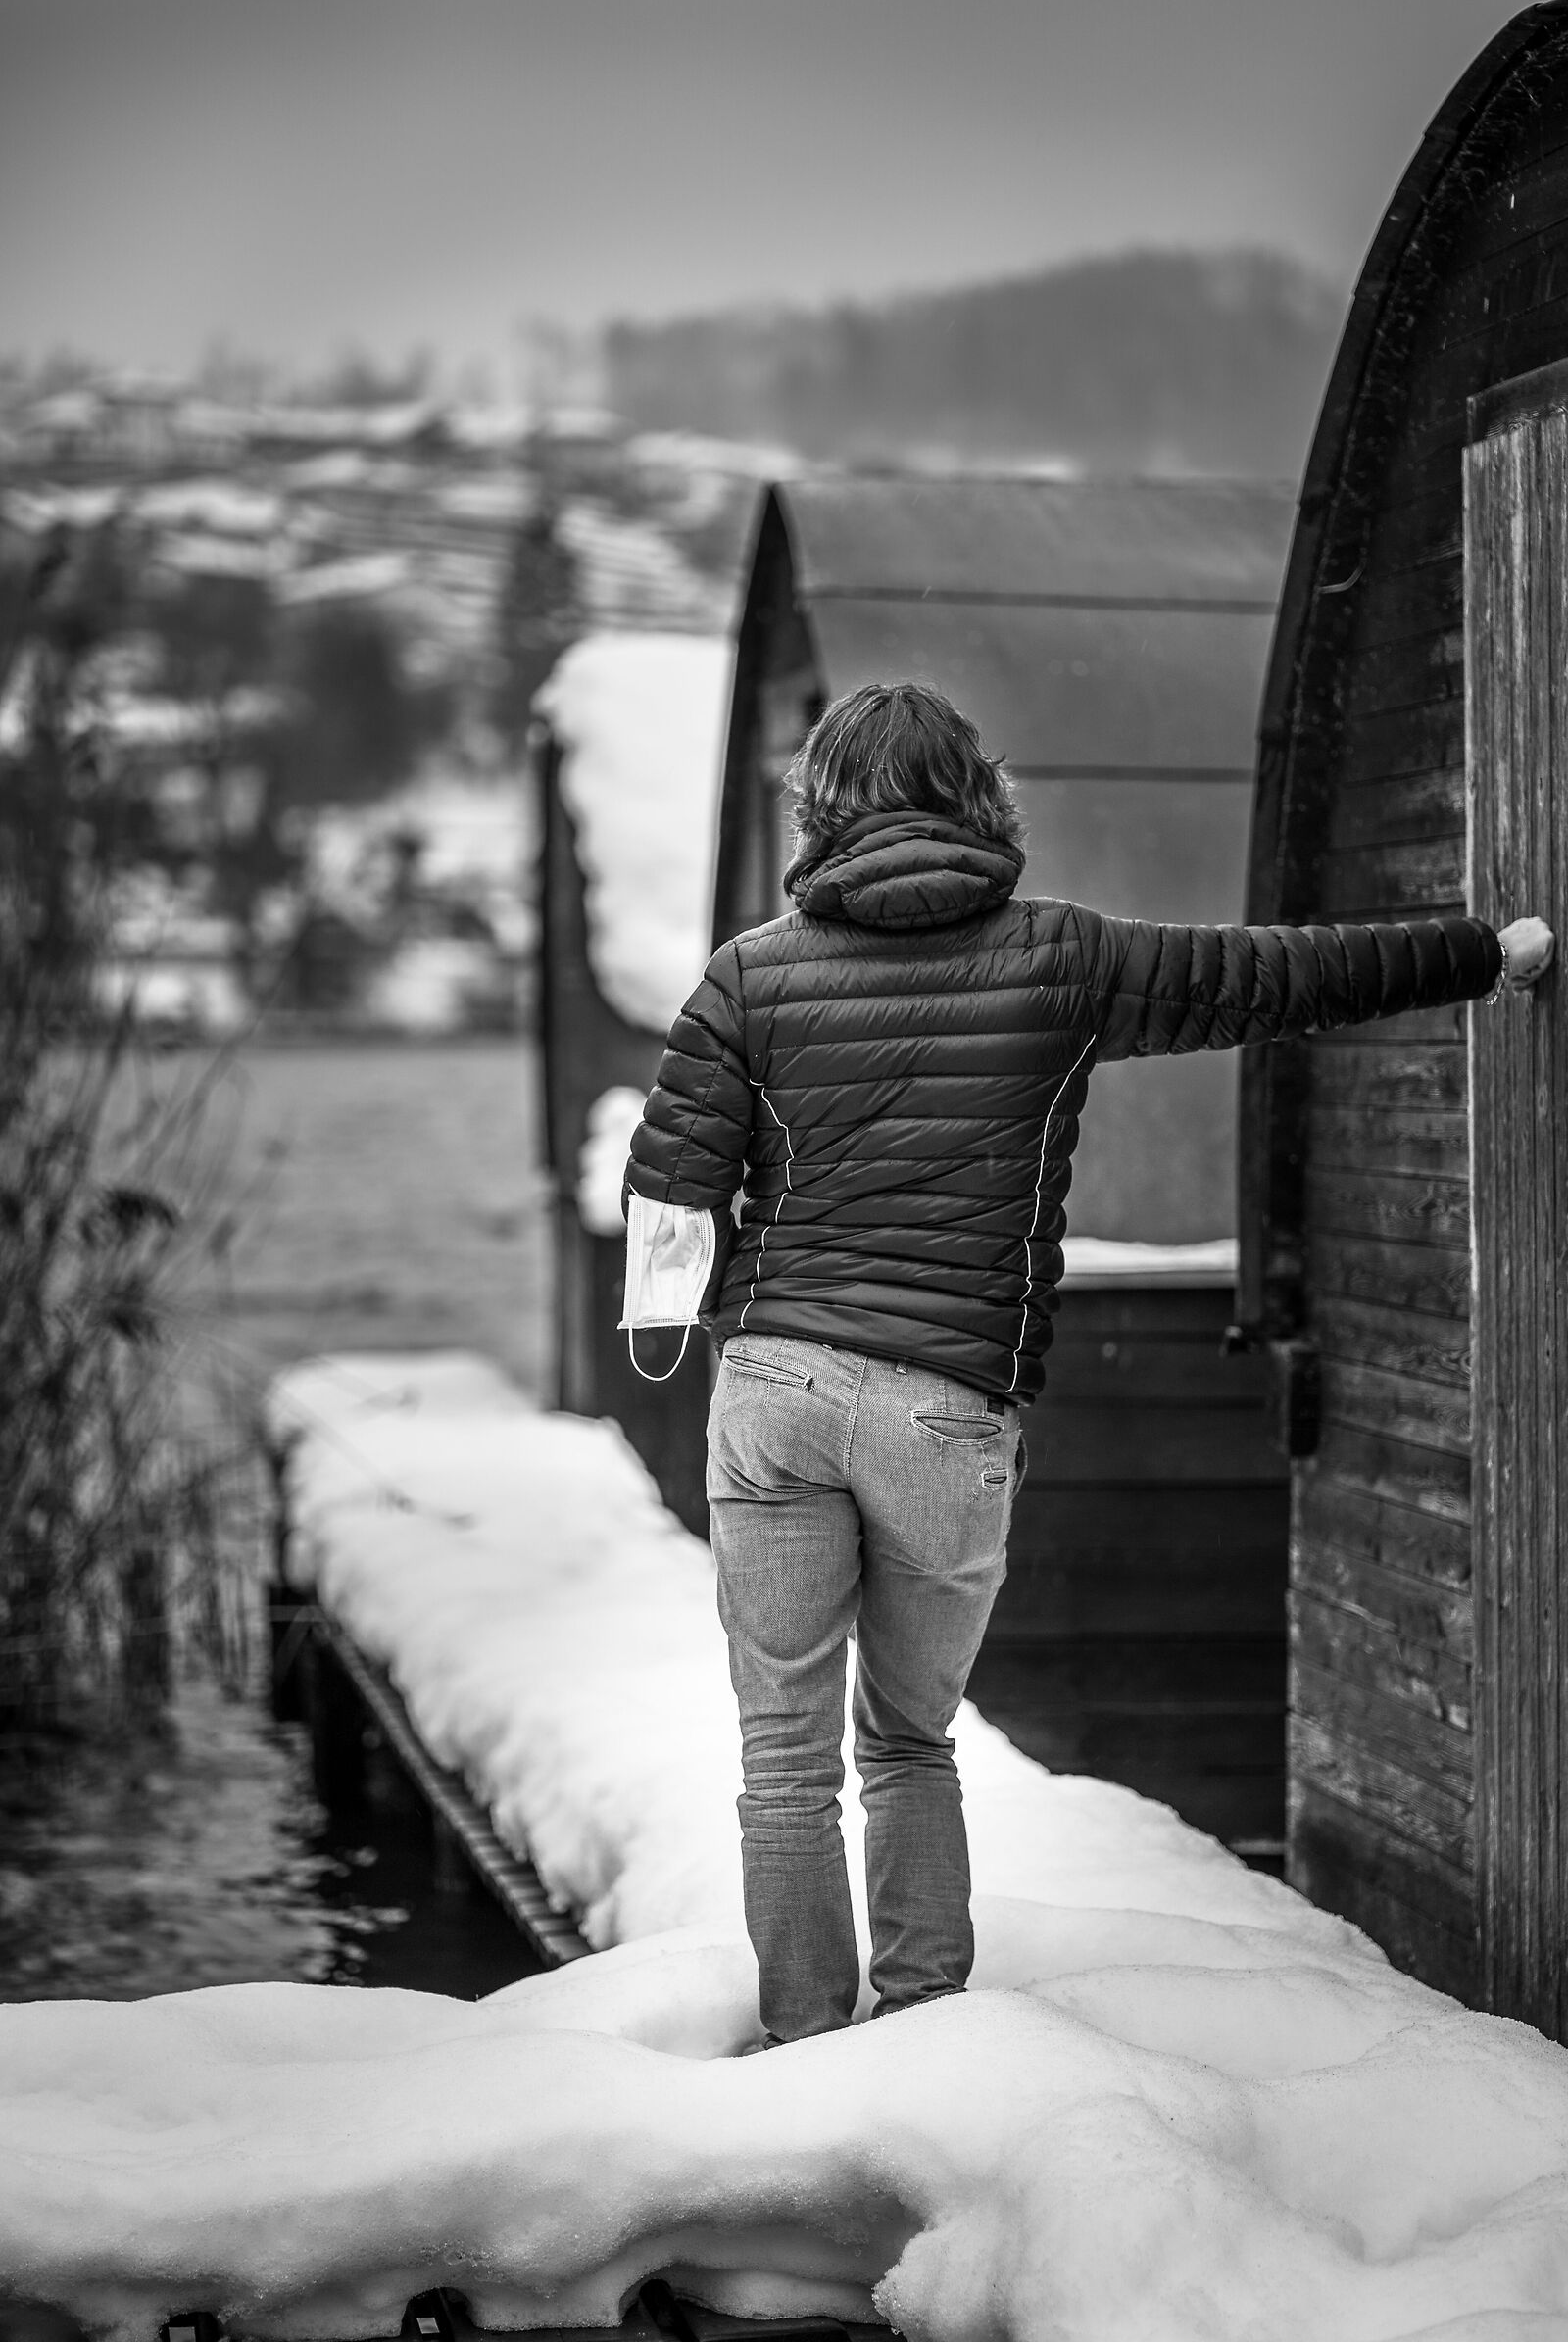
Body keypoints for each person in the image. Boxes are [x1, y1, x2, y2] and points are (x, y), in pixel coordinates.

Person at [624, 680, 1554, 2047]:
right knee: (905, 1740)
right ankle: (927, 2023)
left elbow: (671, 1198)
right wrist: (1490, 952)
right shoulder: (1058, 957)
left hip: (775, 1391)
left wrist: (683, 1338)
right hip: (946, 1411)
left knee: (782, 1762)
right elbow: (1278, 977)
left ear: (819, 811)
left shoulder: (748, 977)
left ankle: (810, 2050)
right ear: (979, 799)